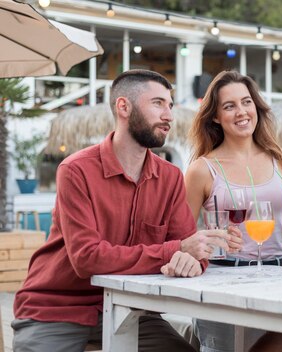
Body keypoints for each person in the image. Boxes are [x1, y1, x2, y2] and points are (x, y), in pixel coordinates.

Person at [12, 69, 242, 352]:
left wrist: (194, 260)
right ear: (124, 107)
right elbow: (87, 258)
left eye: (169, 105)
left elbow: (188, 248)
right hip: (58, 307)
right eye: (157, 103)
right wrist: (175, 250)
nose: (168, 115)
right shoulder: (76, 171)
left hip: (130, 310)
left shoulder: (169, 177)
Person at [185, 70, 282, 352]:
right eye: (229, 106)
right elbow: (182, 236)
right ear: (214, 116)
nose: (241, 112)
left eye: (246, 102)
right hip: (223, 281)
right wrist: (211, 239)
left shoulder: (281, 160)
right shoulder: (202, 168)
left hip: (277, 278)